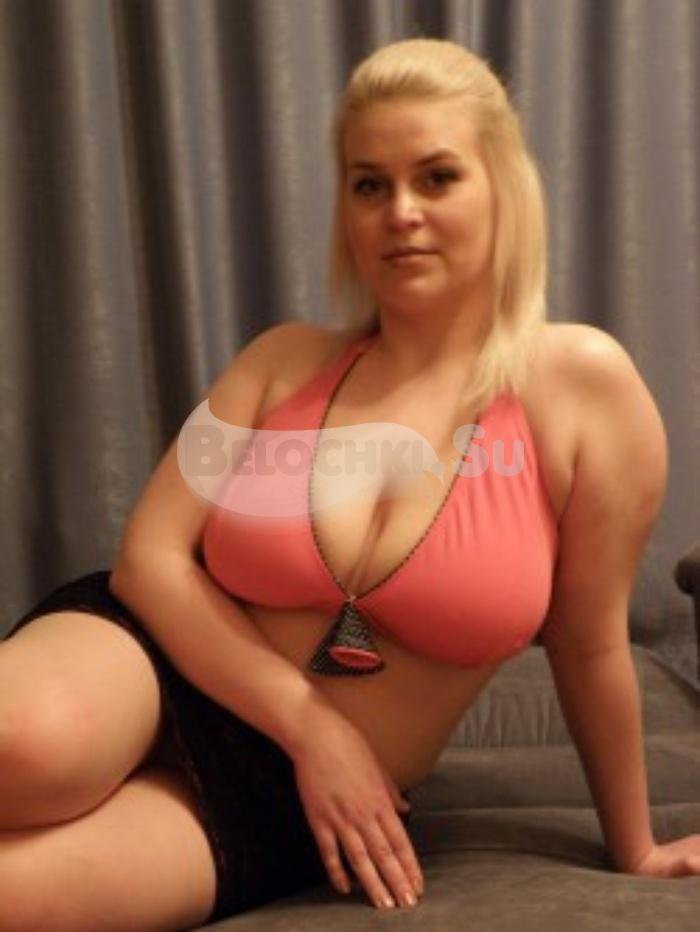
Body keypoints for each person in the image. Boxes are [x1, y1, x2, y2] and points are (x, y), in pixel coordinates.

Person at [2, 35, 699, 931]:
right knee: (24, 744)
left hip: (279, 800)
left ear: (503, 188)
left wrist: (635, 845)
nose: (401, 212)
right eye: (370, 185)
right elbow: (151, 558)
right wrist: (313, 724)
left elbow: (589, 643)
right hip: (147, 661)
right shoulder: (279, 362)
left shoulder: (584, 389)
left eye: (437, 178)